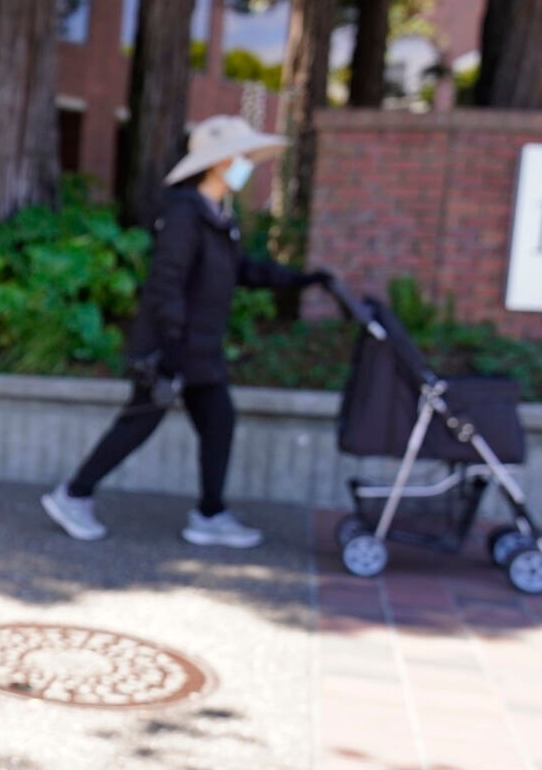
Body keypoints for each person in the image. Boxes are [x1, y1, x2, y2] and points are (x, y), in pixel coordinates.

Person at [41, 115, 333, 548]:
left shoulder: (218, 215)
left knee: (219, 423)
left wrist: (301, 280)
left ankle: (209, 515)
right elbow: (166, 283)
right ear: (217, 163)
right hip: (172, 346)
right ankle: (73, 494)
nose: (247, 165)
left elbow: (242, 271)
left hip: (201, 350)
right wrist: (172, 347)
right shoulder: (184, 215)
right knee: (139, 422)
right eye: (241, 157)